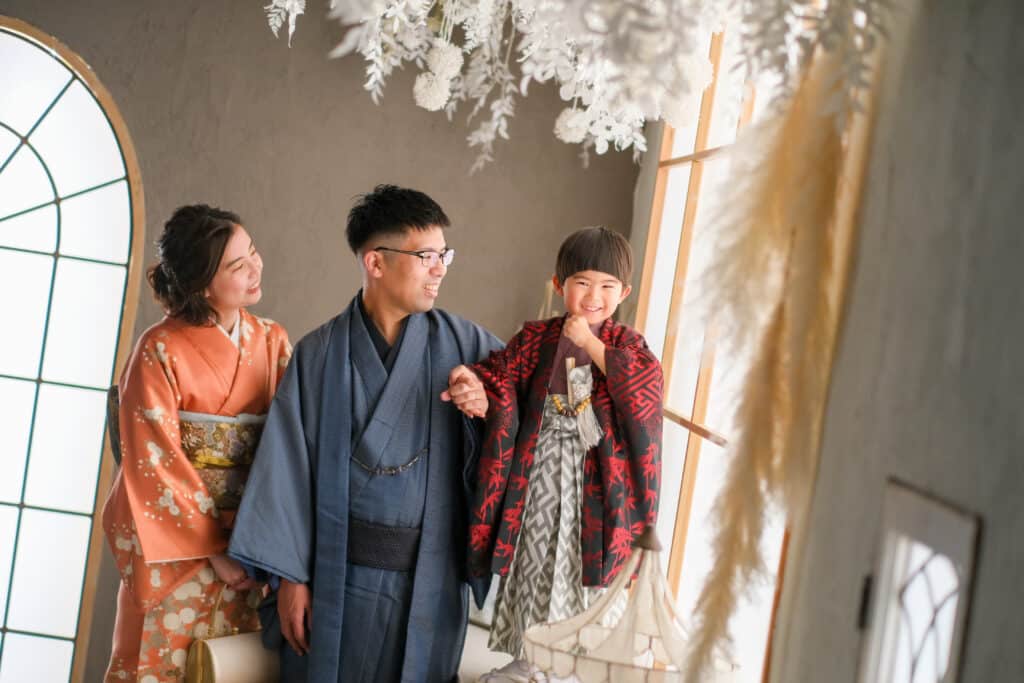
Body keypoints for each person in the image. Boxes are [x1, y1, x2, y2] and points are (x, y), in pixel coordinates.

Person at [228, 185, 503, 682]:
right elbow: (285, 470)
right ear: (376, 262)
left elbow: (533, 413)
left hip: (429, 579)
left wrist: (489, 407)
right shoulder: (319, 354)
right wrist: (292, 578)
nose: (439, 268)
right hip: (336, 579)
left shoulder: (468, 346)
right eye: (426, 256)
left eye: (444, 255)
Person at [452, 226, 664, 682]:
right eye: (582, 282)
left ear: (624, 292)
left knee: (583, 575)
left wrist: (589, 343)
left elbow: (643, 392)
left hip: (598, 484)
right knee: (535, 561)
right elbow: (499, 377)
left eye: (608, 286)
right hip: (541, 472)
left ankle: (580, 667)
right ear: (559, 285)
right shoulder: (535, 338)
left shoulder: (627, 345)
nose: (594, 295)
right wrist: (474, 385)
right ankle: (529, 662)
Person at [102, 205, 292, 682]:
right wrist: (215, 550)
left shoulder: (271, 342)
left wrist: (254, 546)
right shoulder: (158, 349)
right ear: (203, 283)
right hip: (182, 554)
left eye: (253, 253)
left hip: (252, 549)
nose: (256, 268)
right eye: (237, 266)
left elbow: (292, 445)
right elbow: (152, 458)